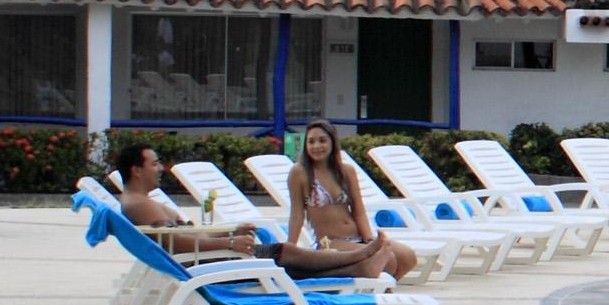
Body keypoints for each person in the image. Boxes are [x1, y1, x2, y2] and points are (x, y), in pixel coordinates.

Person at [284, 120, 417, 280]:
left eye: (322, 140)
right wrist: (289, 249)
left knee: (408, 257)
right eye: (311, 141)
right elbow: (297, 215)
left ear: (332, 142)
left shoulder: (346, 171)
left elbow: (358, 210)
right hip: (328, 241)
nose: (316, 146)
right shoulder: (300, 172)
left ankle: (376, 287)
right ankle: (380, 290)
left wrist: (368, 240)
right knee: (388, 260)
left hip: (357, 236)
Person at [107, 143, 267, 259]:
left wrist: (230, 232)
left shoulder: (140, 201)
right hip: (205, 264)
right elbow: (177, 244)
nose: (161, 169)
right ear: (136, 171)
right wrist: (230, 242)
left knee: (272, 242)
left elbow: (189, 236)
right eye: (154, 164)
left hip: (206, 257)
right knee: (284, 253)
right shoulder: (140, 205)